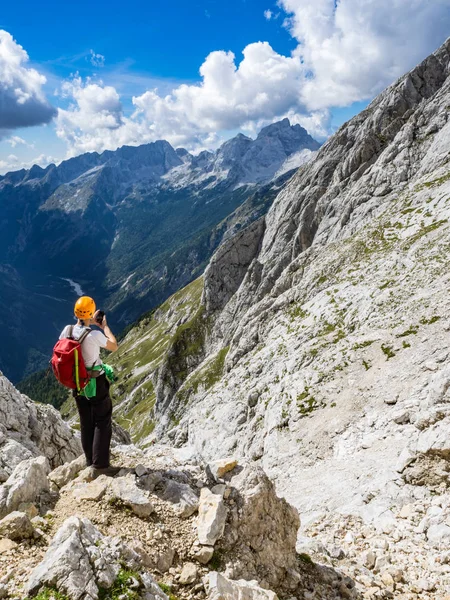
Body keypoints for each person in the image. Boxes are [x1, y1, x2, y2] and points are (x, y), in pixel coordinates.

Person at [60, 296, 120, 478]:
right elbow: (114, 346)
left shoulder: (67, 330)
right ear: (91, 313)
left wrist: (89, 323)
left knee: (86, 423)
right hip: (96, 382)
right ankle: (100, 466)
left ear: (75, 313)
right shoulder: (95, 335)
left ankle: (89, 462)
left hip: (77, 383)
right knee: (102, 421)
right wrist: (103, 326)